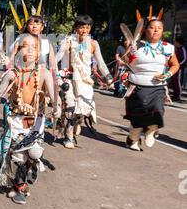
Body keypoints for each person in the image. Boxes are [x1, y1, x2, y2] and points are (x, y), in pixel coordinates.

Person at [0, 33, 60, 205]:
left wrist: (58, 108)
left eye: (35, 47)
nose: (31, 50)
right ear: (19, 50)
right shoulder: (12, 74)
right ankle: (20, 185)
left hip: (36, 121)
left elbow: (55, 95)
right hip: (16, 120)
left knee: (34, 153)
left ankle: (23, 178)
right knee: (18, 156)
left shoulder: (44, 73)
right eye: (26, 46)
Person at [56, 15, 113, 149]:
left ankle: (75, 124)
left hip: (85, 82)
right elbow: (57, 58)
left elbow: (101, 63)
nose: (84, 30)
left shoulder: (93, 44)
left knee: (81, 111)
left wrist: (108, 77)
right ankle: (68, 137)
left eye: (87, 27)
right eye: (81, 27)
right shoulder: (68, 41)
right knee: (70, 107)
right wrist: (51, 72)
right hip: (69, 79)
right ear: (76, 28)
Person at [123, 17, 179, 151]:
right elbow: (126, 62)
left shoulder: (168, 48)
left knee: (157, 112)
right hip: (137, 87)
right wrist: (125, 55)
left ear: (162, 31)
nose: (156, 30)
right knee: (137, 120)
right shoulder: (136, 46)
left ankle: (151, 131)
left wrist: (166, 75)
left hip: (157, 88)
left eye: (159, 28)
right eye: (152, 27)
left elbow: (175, 65)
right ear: (145, 30)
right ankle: (133, 140)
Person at [171, 36, 187, 102]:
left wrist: (178, 65)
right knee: (174, 81)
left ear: (178, 43)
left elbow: (184, 59)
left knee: (178, 82)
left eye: (175, 42)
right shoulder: (177, 49)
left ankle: (178, 96)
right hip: (175, 68)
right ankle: (175, 95)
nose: (174, 43)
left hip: (179, 69)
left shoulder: (182, 49)